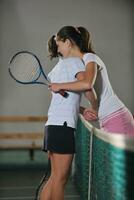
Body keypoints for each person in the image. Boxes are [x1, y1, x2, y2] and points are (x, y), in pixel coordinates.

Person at [41, 29, 97, 200]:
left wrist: (81, 110)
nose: (58, 46)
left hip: (52, 126)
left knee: (54, 178)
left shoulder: (57, 68)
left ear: (68, 42)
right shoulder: (75, 63)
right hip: (63, 127)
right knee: (60, 180)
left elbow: (65, 99)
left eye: (59, 43)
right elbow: (86, 86)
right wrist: (95, 107)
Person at [50, 26, 134, 135]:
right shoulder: (79, 64)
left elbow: (87, 84)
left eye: (58, 45)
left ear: (67, 43)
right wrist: (84, 110)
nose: (58, 50)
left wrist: (59, 85)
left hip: (116, 116)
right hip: (106, 119)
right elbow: (77, 95)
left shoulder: (90, 57)